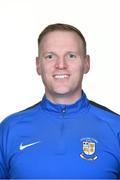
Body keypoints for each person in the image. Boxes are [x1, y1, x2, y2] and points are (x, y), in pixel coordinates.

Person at [0, 23, 120, 179]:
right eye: (50, 56)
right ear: (38, 65)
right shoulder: (9, 129)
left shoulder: (115, 127)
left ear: (86, 63)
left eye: (71, 56)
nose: (61, 65)